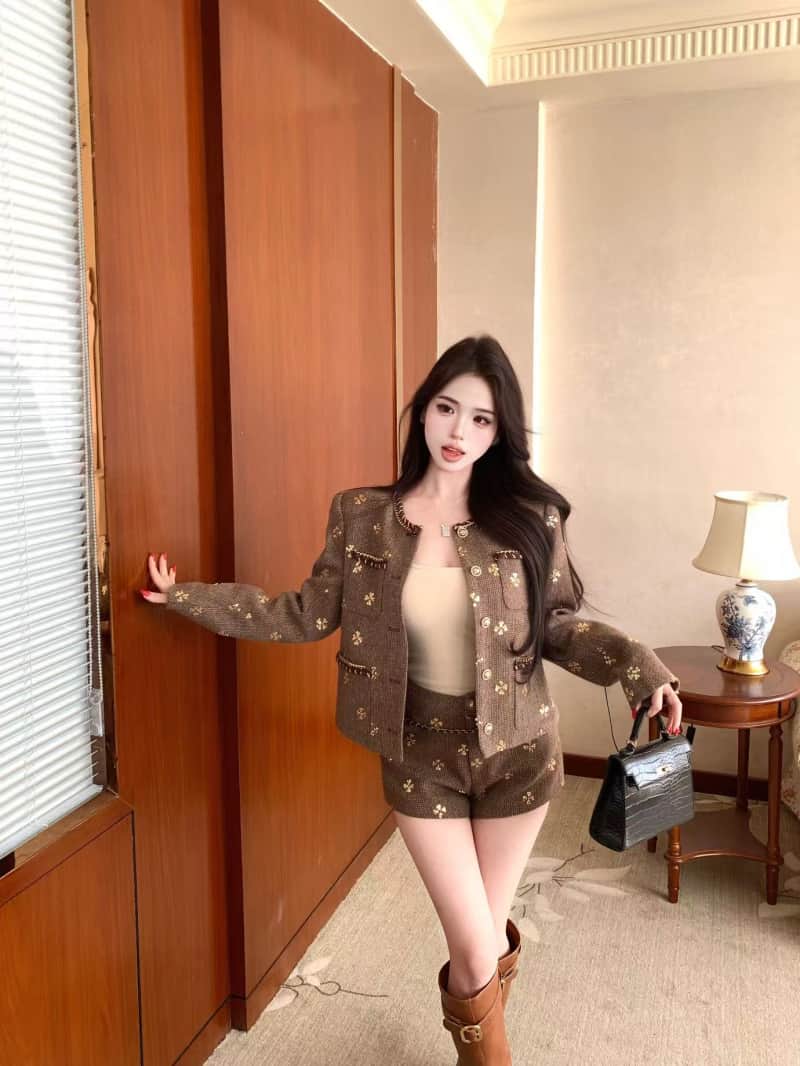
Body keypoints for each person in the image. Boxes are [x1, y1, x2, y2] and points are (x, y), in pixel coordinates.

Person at [141, 334, 682, 1064]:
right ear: (423, 410)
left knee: (478, 942)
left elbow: (556, 626)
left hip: (519, 751)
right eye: (447, 408)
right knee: (473, 943)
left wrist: (640, 667)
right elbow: (304, 613)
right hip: (418, 752)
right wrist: (188, 599)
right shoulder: (362, 515)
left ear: (500, 432)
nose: (459, 431)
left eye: (482, 419)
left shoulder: (530, 517)